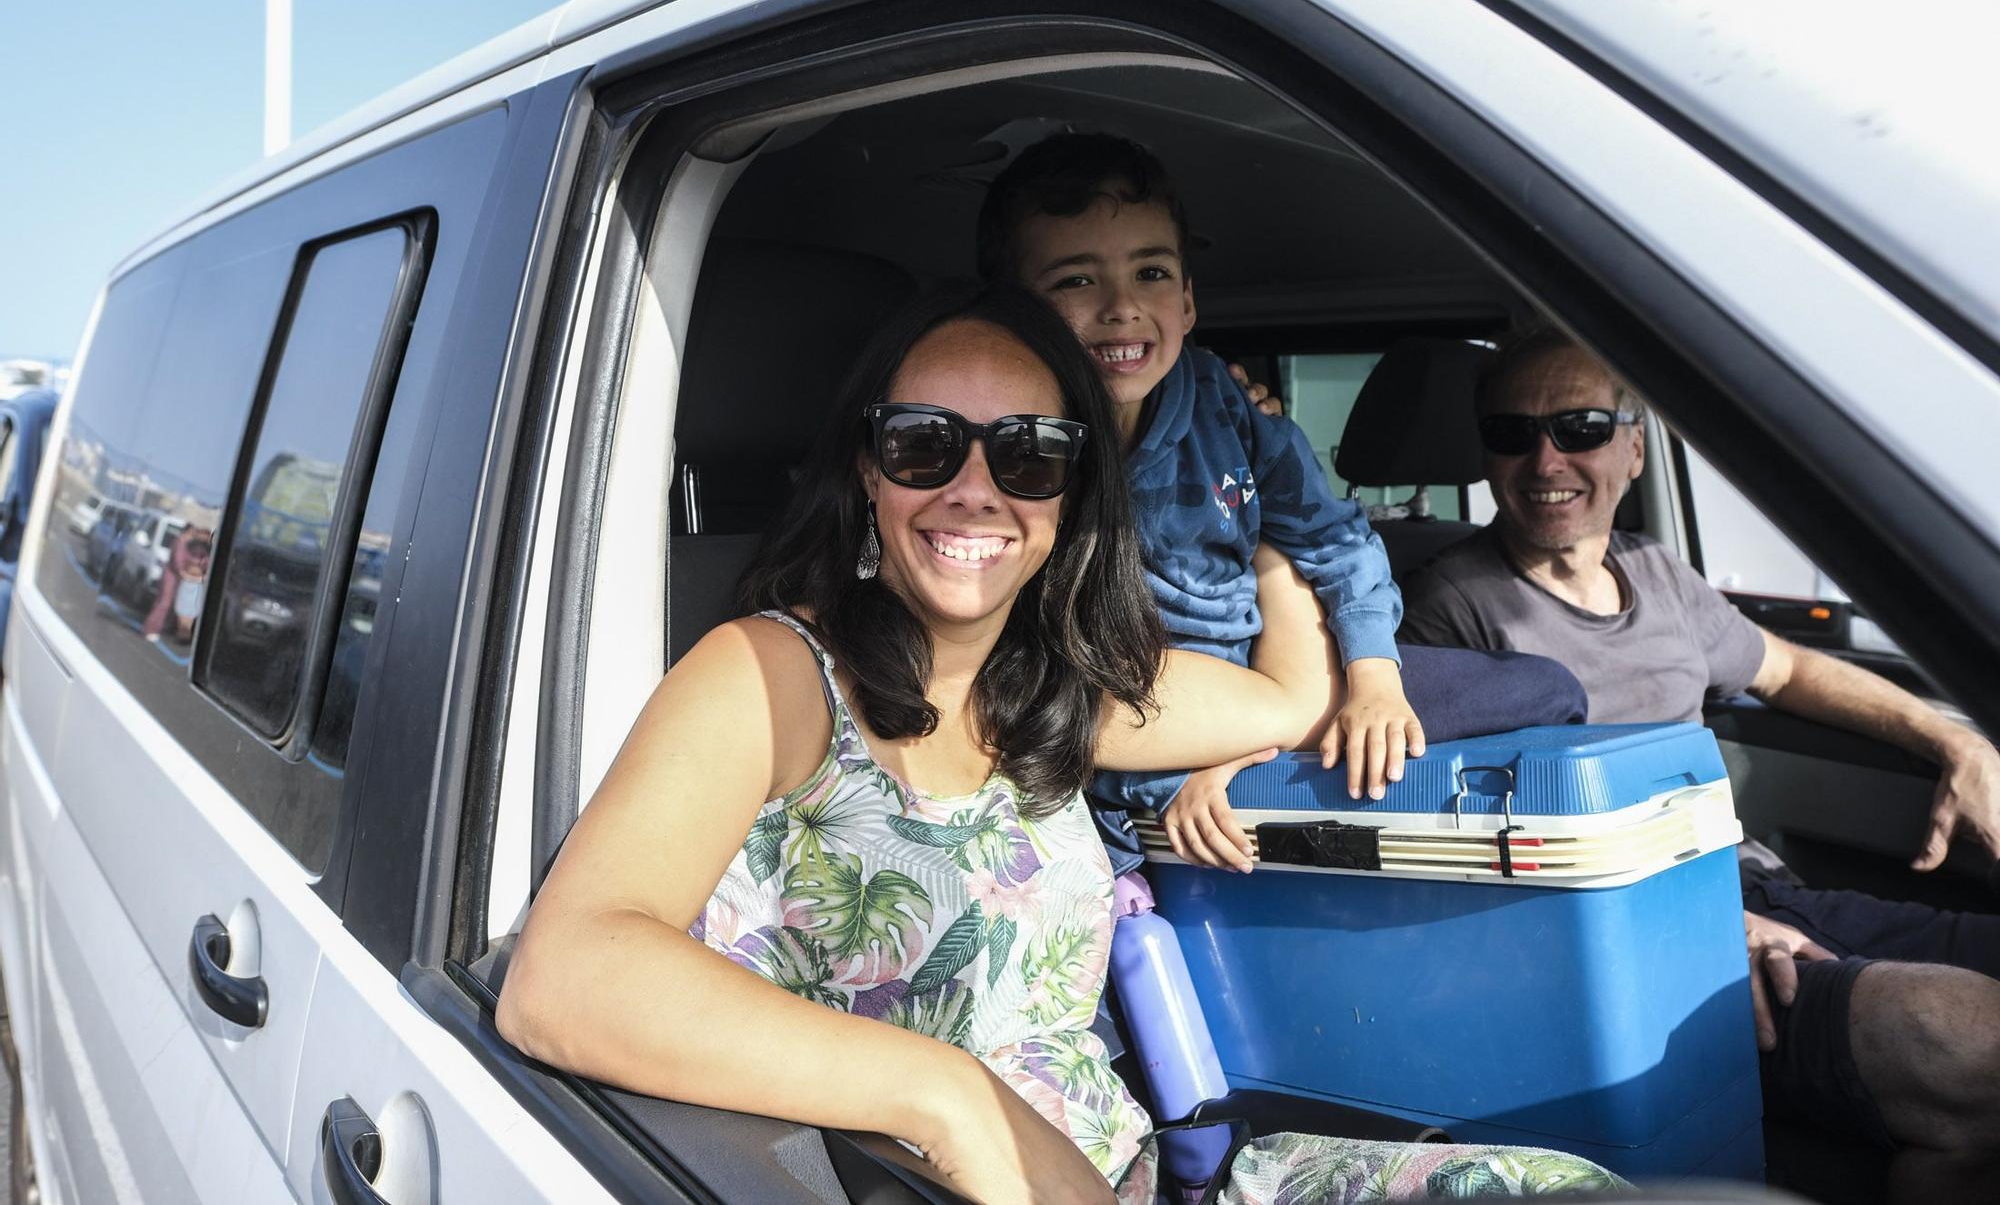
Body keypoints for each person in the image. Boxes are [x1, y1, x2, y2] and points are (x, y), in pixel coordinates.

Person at [497, 288, 1620, 1203]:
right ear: (865, 466)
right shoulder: (767, 672)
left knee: (1570, 1190)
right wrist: (941, 1094)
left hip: (1158, 1173)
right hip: (921, 1180)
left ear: (1076, 492)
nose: (975, 487)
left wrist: (1280, 526)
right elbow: (566, 975)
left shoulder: (1059, 690)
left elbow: (1288, 699)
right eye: (924, 443)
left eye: (1030, 453)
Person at [1398, 326, 2000, 1202]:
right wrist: (1688, 927)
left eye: (1580, 426)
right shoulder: (1448, 611)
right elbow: (1457, 858)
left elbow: (1788, 668)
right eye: (1511, 434)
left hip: (1760, 887)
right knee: (1975, 1048)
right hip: (1640, 937)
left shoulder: (1656, 571)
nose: (1545, 458)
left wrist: (1955, 740)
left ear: (1633, 448)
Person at [975, 133, 1585, 872]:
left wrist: (1373, 679)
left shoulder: (1226, 408)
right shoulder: (1018, 454)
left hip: (1281, 666)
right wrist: (1195, 766)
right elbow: (1047, 689)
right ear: (1017, 313)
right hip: (1149, 715)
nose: (1122, 307)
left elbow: (1334, 539)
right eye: (1076, 281)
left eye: (1152, 272)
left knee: (1549, 688)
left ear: (1191, 300)